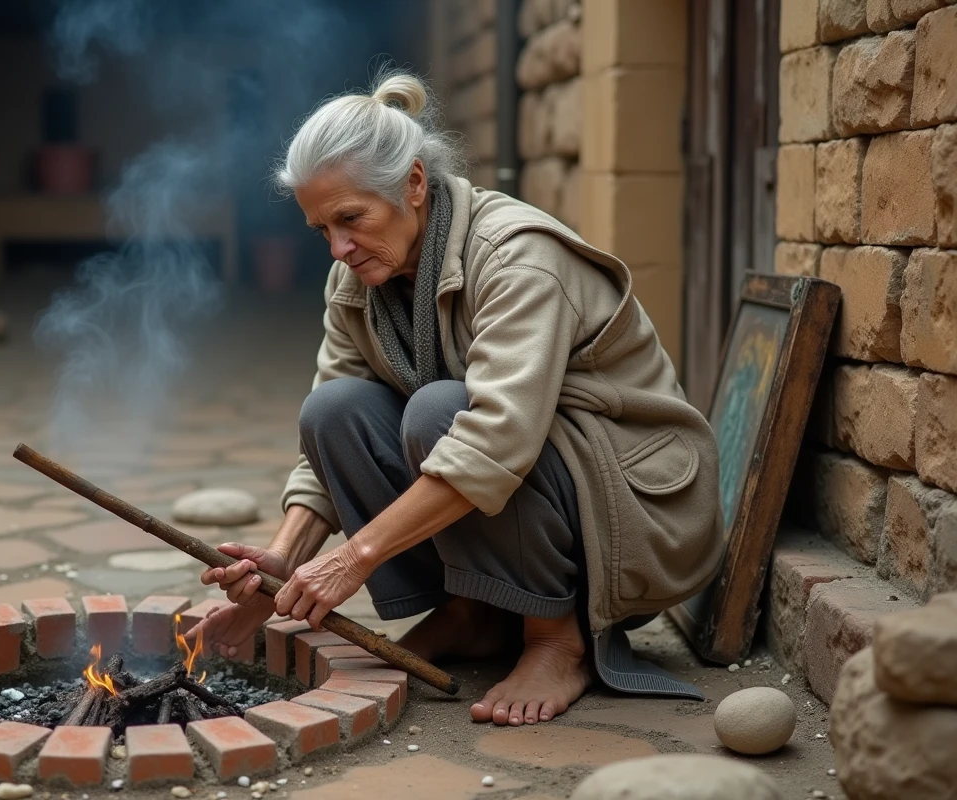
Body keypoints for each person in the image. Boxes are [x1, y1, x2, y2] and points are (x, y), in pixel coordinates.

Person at [190, 70, 725, 727]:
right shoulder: (356, 281)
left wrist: (353, 559)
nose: (338, 248)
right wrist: (278, 572)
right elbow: (323, 448)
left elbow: (495, 437)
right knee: (332, 414)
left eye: (351, 219)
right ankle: (475, 613)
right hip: (535, 488)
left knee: (440, 411)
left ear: (414, 184)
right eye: (321, 228)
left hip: (633, 511)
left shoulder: (516, 256)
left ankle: (556, 638)